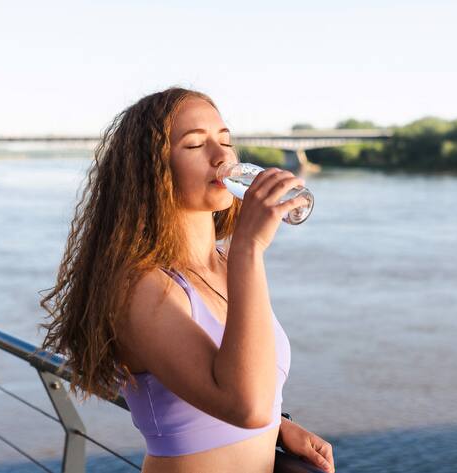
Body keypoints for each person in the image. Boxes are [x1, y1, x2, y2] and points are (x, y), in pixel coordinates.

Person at [39, 87, 335, 473]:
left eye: (225, 141)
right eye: (196, 145)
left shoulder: (226, 263)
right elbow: (244, 406)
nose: (222, 156)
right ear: (153, 170)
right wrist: (250, 249)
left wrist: (278, 426)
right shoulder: (139, 287)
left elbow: (244, 383)